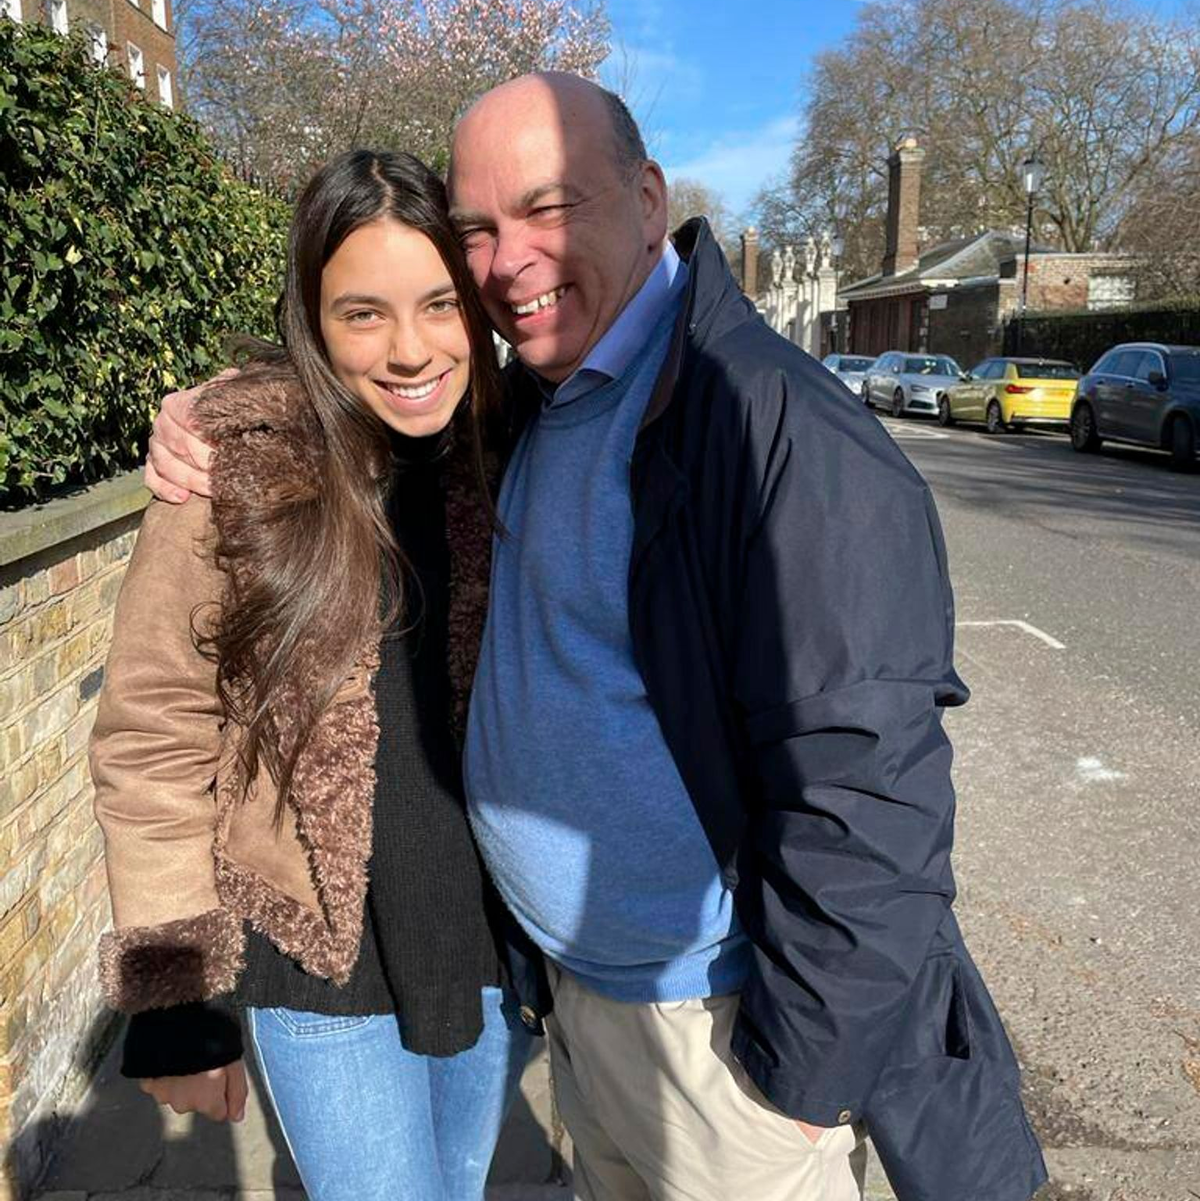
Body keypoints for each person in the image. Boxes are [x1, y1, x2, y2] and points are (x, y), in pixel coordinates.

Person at [146, 75, 1049, 1201]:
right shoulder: (530, 408)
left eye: (551, 208)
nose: (510, 261)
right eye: (479, 228)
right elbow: (156, 733)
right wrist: (211, 413)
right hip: (505, 992)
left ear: (649, 194)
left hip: (711, 1035)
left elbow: (868, 793)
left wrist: (803, 1078)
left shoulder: (757, 422)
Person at [90, 149, 539, 1201]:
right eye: (363, 313)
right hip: (317, 963)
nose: (412, 348)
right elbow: (151, 735)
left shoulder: (519, 448)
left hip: (478, 945)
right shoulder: (233, 473)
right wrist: (176, 1003)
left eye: (440, 304)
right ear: (313, 319)